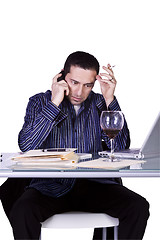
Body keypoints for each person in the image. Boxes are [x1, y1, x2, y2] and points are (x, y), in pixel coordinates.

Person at [0, 51, 149, 240]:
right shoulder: (40, 102)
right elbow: (27, 144)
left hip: (94, 186)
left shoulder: (99, 103)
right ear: (62, 76)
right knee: (22, 209)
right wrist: (54, 103)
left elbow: (119, 147)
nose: (80, 92)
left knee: (138, 207)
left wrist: (110, 98)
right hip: (51, 187)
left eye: (88, 85)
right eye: (75, 82)